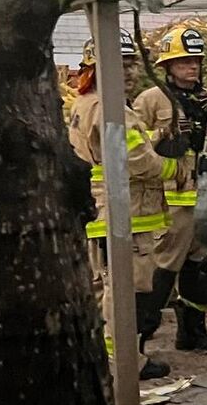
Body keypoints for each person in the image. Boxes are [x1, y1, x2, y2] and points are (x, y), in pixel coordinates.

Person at [67, 30, 181, 380]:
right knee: (125, 292)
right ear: (95, 68)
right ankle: (127, 363)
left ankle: (100, 353)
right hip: (125, 213)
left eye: (131, 63)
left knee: (102, 288)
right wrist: (177, 168)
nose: (129, 72)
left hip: (97, 209)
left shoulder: (84, 104)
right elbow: (139, 161)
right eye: (120, 64)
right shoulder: (113, 109)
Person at [133, 27, 207, 352]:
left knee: (200, 269)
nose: (192, 67)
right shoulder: (150, 100)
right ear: (167, 66)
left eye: (196, 60)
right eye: (184, 61)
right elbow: (135, 146)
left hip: (205, 197)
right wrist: (166, 134)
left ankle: (192, 333)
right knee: (160, 271)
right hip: (169, 203)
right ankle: (140, 341)